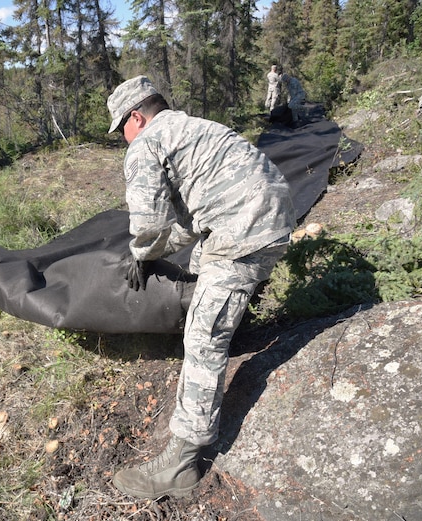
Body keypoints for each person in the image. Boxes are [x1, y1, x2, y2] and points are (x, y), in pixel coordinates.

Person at [106, 76, 296, 499]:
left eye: (122, 128)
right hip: (272, 214)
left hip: (243, 231)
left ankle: (181, 463)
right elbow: (195, 217)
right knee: (201, 267)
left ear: (136, 117)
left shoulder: (146, 143)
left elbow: (149, 223)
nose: (124, 138)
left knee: (203, 338)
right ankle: (233, 312)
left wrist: (140, 253)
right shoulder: (196, 128)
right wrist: (158, 250)